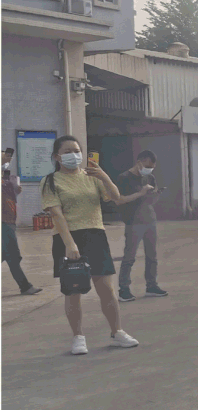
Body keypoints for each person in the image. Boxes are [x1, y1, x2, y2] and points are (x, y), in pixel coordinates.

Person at [41, 135, 152, 355]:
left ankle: (117, 332)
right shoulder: (51, 181)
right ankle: (78, 337)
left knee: (107, 290)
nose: (74, 155)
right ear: (56, 157)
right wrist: (70, 244)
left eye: (77, 150)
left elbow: (116, 197)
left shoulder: (91, 176)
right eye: (68, 151)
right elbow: (57, 215)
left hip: (95, 235)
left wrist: (103, 175)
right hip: (67, 239)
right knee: (73, 291)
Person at [115, 150, 167, 302]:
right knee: (129, 257)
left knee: (152, 256)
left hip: (150, 219)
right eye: (147, 166)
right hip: (133, 222)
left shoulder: (150, 177)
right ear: (139, 162)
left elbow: (150, 201)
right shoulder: (124, 178)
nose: (149, 169)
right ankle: (124, 289)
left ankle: (152, 286)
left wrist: (155, 195)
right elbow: (120, 200)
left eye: (152, 167)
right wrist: (141, 192)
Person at [2, 148, 42, 295]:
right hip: (3, 222)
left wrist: (15, 189)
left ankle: (25, 286)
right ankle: (25, 286)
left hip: (9, 220)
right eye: (5, 157)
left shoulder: (8, 177)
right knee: (12, 255)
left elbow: (11, 197)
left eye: (9, 158)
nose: (7, 160)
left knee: (9, 255)